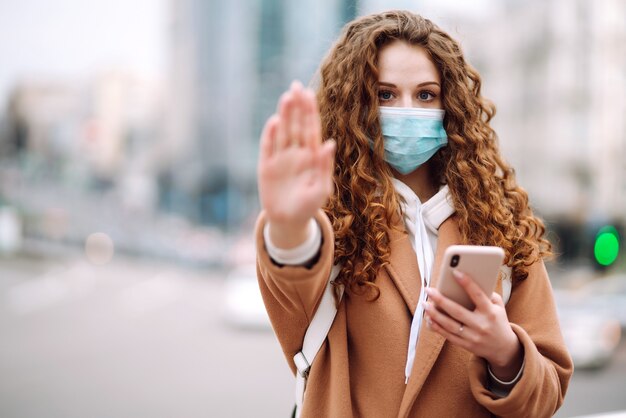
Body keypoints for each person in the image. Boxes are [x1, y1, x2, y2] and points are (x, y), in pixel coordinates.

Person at [255, 10, 573, 418]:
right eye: (385, 94)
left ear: (450, 105)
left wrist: (505, 351)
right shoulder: (330, 218)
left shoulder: (499, 222)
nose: (406, 109)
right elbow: (292, 268)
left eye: (425, 94)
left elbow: (548, 393)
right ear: (356, 105)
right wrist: (288, 224)